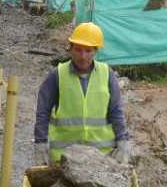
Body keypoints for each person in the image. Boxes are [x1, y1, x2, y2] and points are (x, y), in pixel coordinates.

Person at [34, 22, 132, 165]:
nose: (83, 56)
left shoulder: (106, 74)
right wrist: (40, 142)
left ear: (95, 51)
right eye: (78, 50)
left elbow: (116, 111)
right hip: (64, 157)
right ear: (71, 49)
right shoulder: (57, 75)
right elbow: (43, 112)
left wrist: (123, 140)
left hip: (101, 157)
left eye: (88, 51)